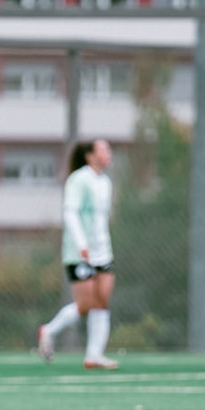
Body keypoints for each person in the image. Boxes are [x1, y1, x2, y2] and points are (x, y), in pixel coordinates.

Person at [36, 138, 117, 370]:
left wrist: (102, 245)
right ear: (91, 155)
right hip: (80, 252)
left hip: (103, 251)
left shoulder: (105, 182)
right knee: (85, 304)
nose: (108, 153)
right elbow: (70, 213)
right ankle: (48, 331)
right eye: (104, 149)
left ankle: (94, 356)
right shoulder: (79, 179)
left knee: (102, 301)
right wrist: (82, 245)